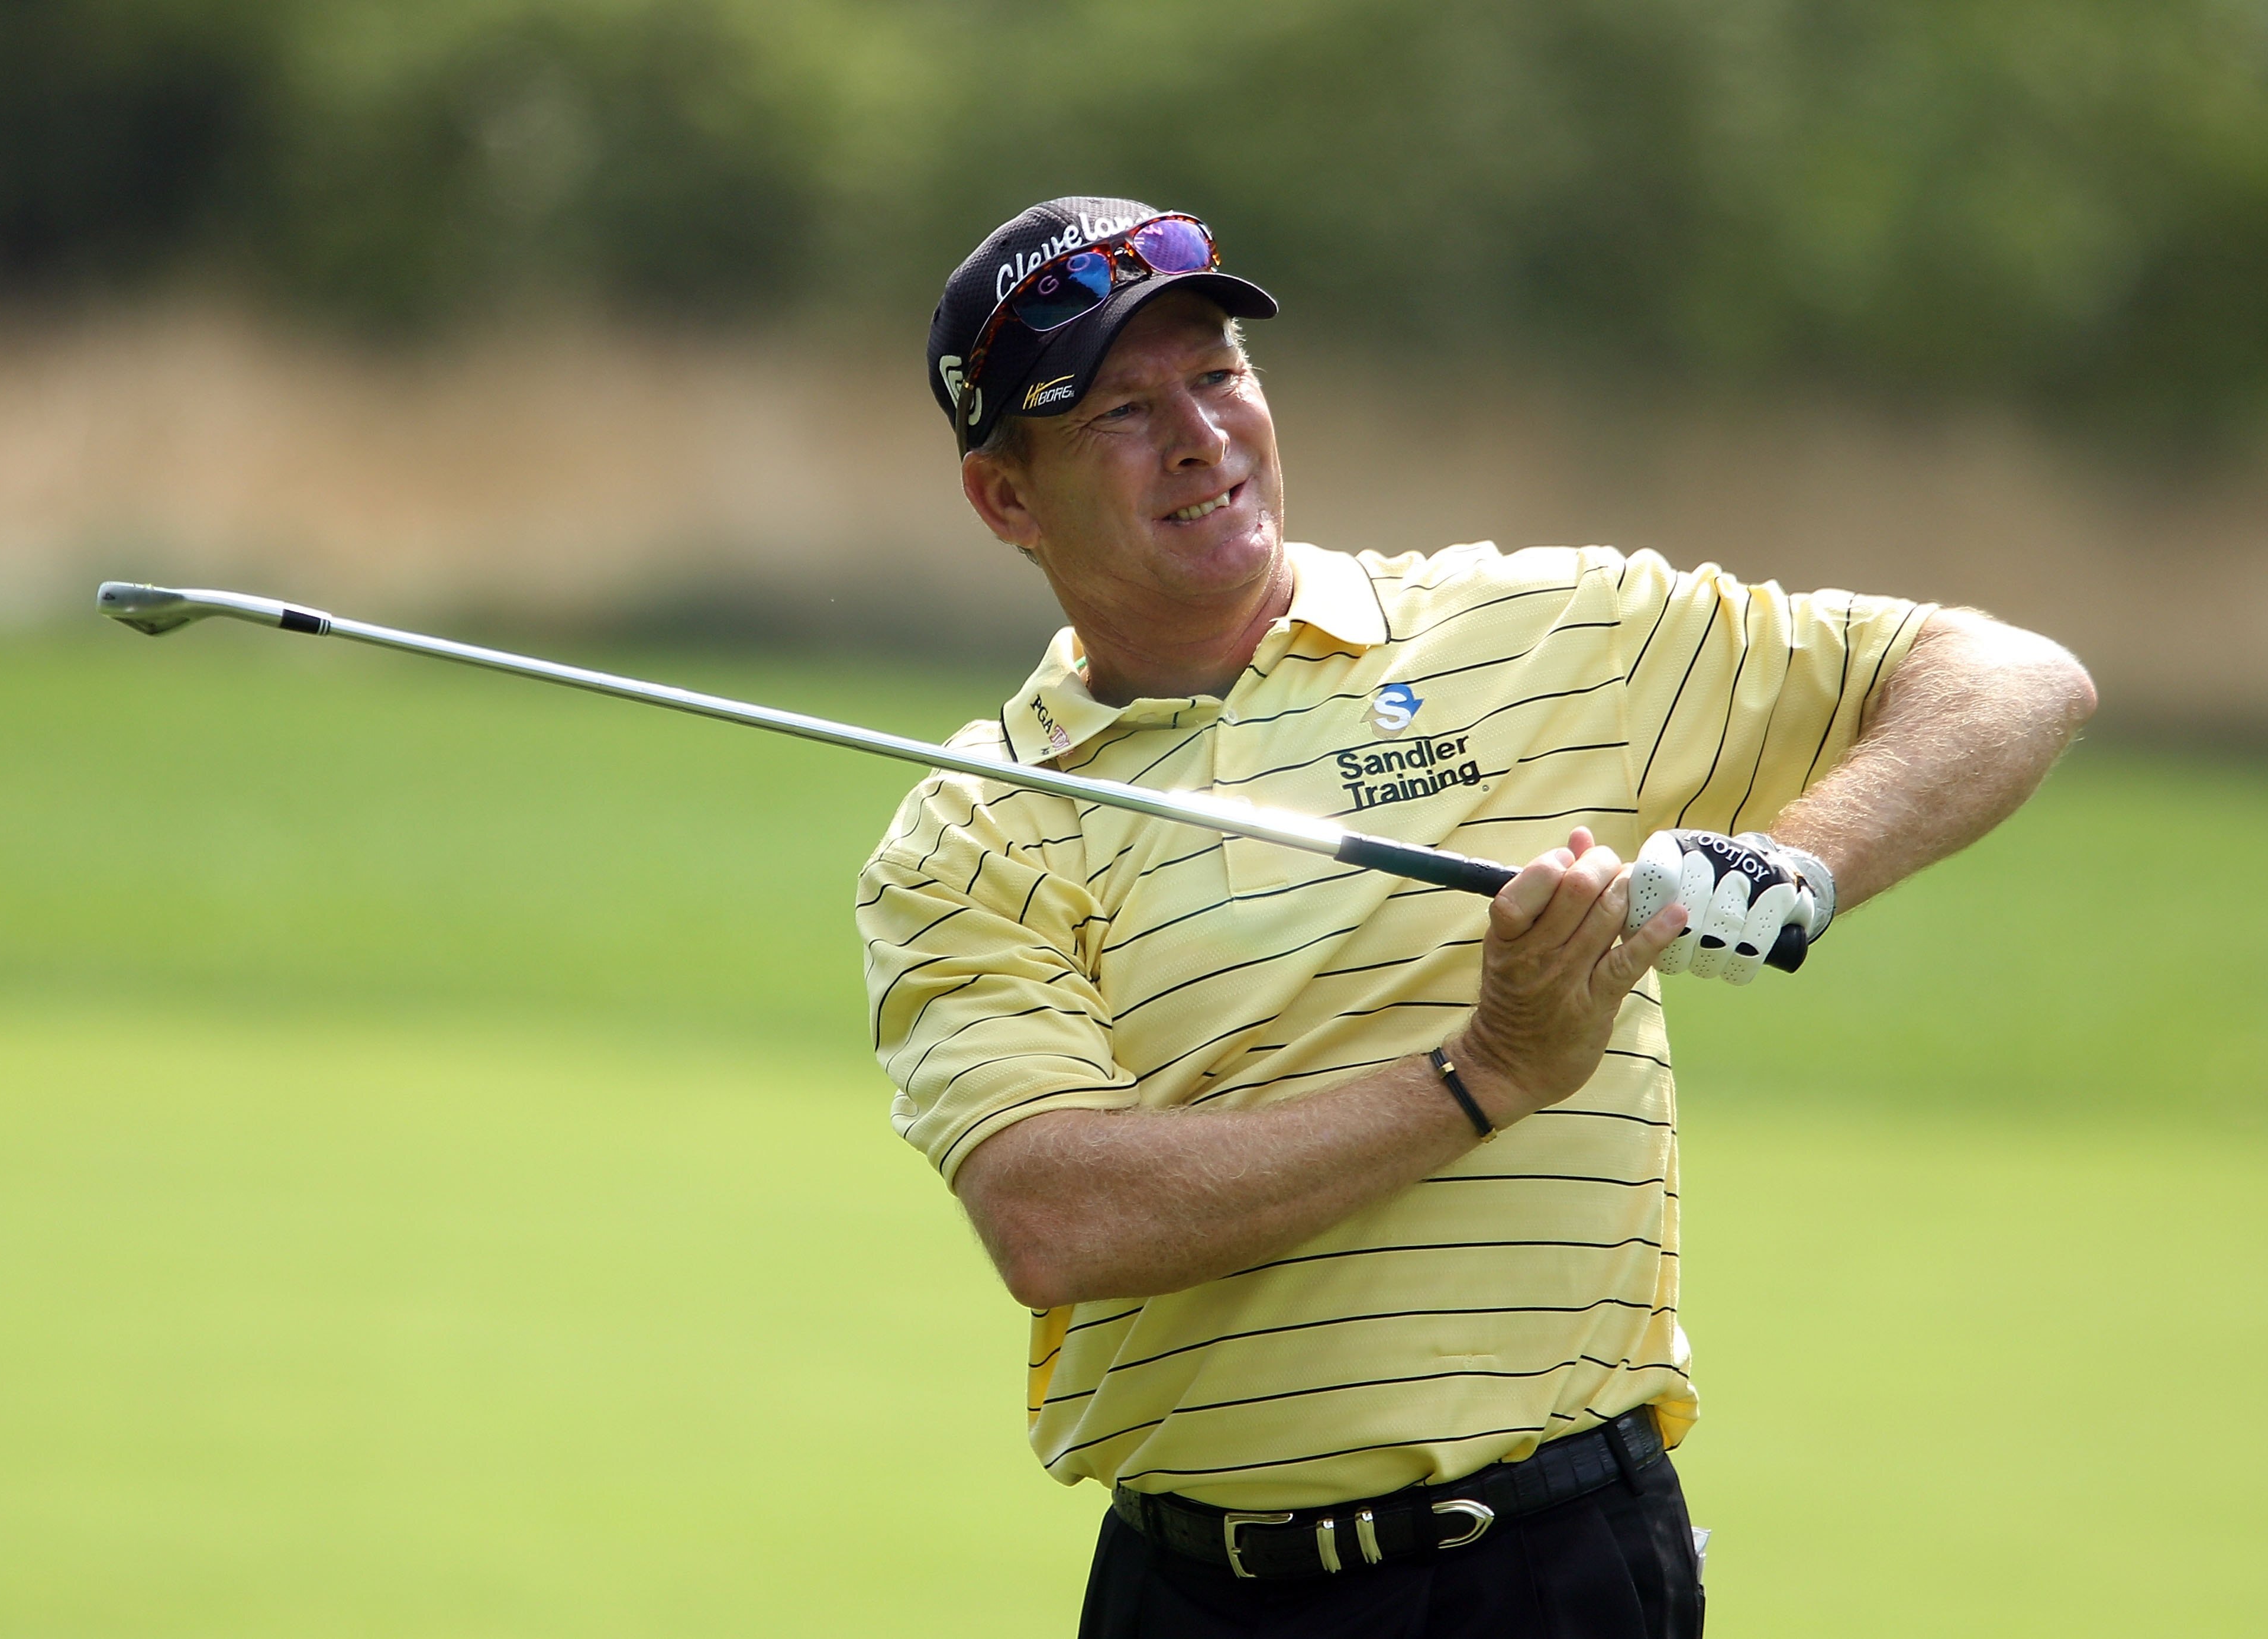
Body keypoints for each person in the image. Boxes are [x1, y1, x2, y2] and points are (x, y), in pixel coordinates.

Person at [860, 197, 2095, 1638]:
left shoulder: (1547, 630)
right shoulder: (972, 823)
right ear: (1006, 499)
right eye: (1119, 412)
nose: (1200, 437)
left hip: (1551, 1565)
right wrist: (1483, 1073)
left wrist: (1788, 867)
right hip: (1197, 1593)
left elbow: (2011, 677)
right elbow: (1053, 1215)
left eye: (1217, 376)